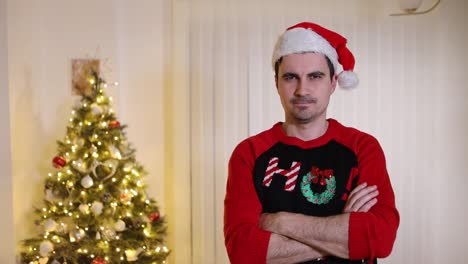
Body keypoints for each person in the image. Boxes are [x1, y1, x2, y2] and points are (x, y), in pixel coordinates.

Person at [223, 22, 399, 264]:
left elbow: (380, 239)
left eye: (315, 76)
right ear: (276, 83)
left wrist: (280, 222)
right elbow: (243, 252)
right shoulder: (250, 153)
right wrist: (343, 232)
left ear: (333, 82)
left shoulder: (362, 148)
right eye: (290, 77)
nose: (302, 89)